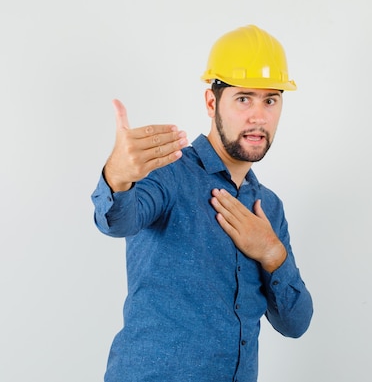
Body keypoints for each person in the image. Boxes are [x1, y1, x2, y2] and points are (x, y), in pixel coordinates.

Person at [91, 24, 314, 382]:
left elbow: (296, 323)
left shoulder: (268, 208)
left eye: (270, 99)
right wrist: (117, 177)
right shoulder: (169, 173)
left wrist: (272, 253)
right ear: (212, 103)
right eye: (244, 98)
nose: (258, 116)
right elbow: (116, 221)